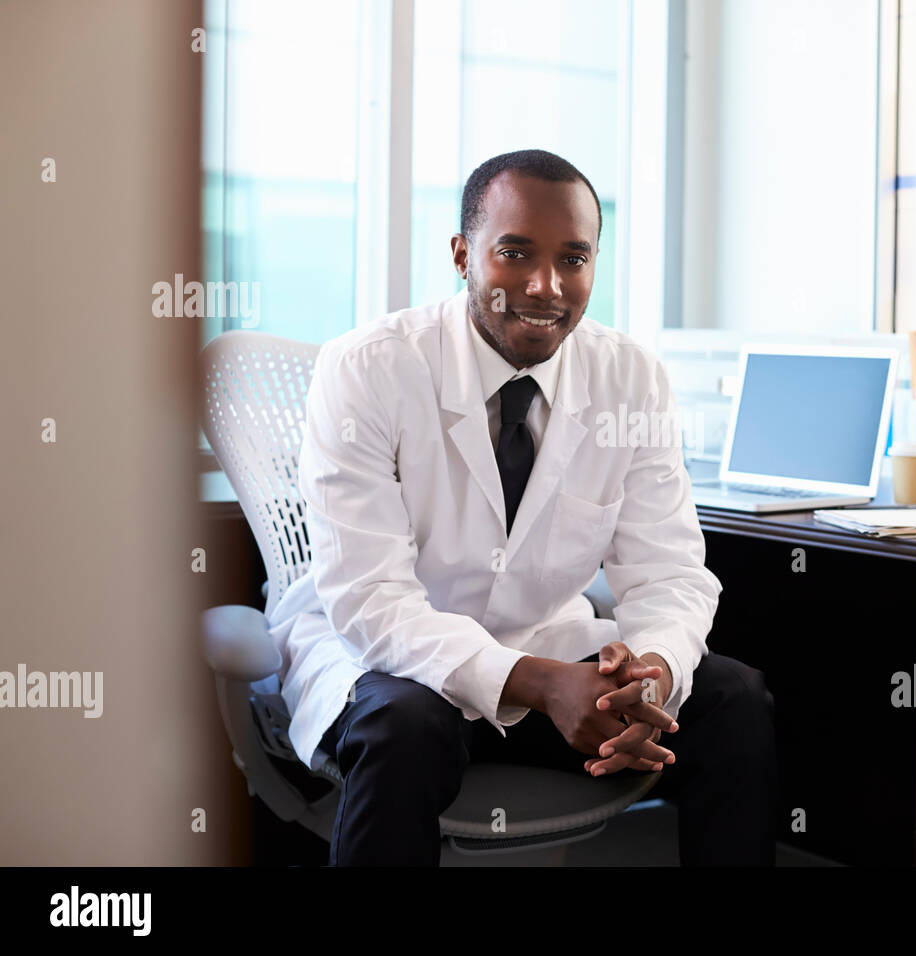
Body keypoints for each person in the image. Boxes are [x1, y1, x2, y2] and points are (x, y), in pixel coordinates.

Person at [266, 148, 777, 866]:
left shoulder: (629, 377)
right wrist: (541, 683)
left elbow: (670, 575)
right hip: (388, 660)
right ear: (461, 254)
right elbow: (369, 597)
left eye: (574, 259)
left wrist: (651, 675)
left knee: (733, 699)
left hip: (552, 651)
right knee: (404, 728)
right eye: (514, 253)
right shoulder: (368, 369)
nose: (545, 286)